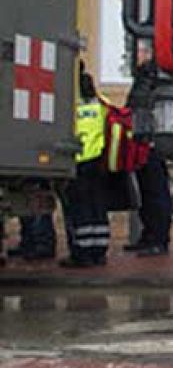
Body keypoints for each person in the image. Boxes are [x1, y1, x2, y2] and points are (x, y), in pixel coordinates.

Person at [59, 63, 110, 269]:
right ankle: (99, 250)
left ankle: (81, 253)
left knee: (78, 210)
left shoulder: (67, 96)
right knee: (97, 207)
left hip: (76, 159)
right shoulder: (97, 100)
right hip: (97, 159)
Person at [125, 46, 173, 257]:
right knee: (146, 192)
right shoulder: (146, 75)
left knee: (155, 193)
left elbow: (146, 106)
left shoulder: (154, 75)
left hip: (151, 142)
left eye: (142, 51)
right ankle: (149, 236)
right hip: (142, 140)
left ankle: (158, 239)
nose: (137, 55)